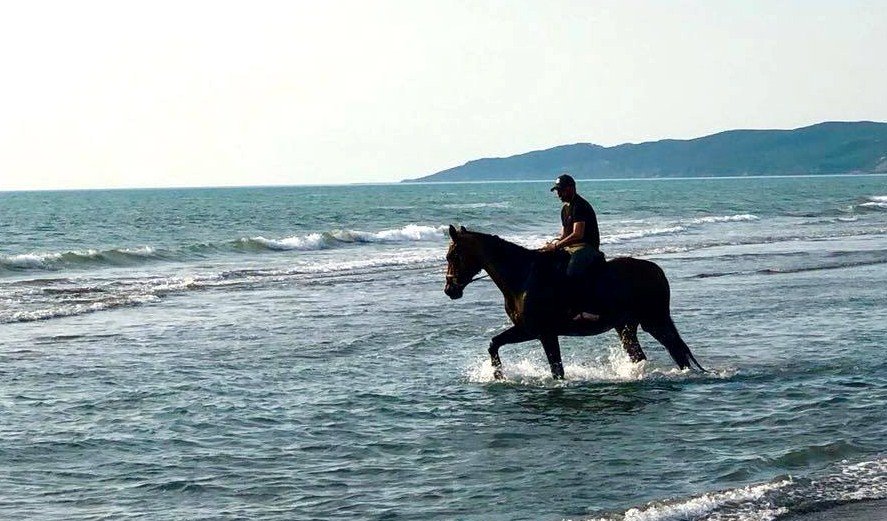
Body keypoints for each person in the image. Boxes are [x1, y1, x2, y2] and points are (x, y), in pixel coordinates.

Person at [540, 173, 604, 320]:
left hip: (587, 247)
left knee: (572, 271)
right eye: (557, 191)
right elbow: (565, 235)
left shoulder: (580, 206)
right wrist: (553, 244)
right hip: (573, 247)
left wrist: (556, 247)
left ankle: (588, 309)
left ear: (571, 189)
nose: (558, 194)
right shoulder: (565, 209)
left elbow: (577, 234)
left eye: (561, 190)